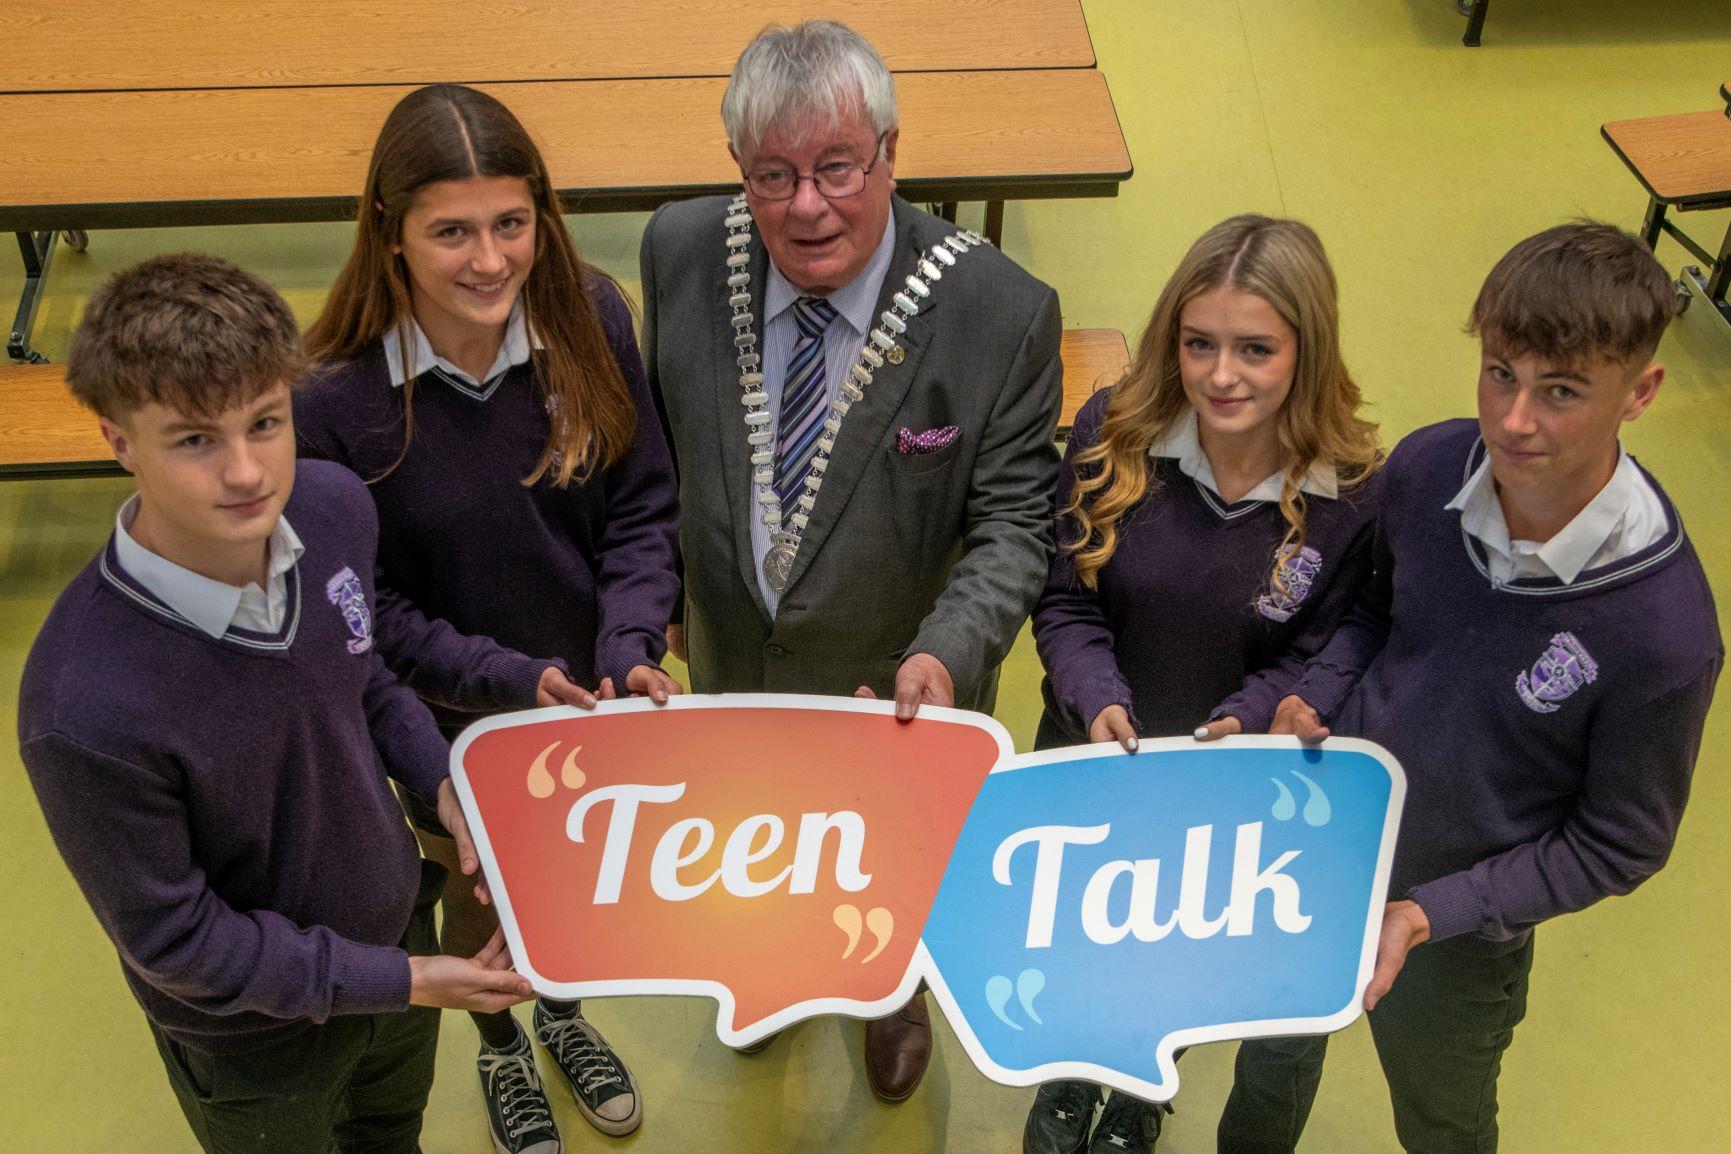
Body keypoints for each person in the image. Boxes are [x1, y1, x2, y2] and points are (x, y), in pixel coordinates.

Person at [1211, 222, 1723, 1153]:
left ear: (1640, 391)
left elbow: (1619, 843)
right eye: (1498, 374)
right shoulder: (1424, 466)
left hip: (1459, 936)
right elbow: (1372, 612)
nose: (1513, 421)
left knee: (1442, 1120)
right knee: (1267, 1071)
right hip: (1319, 854)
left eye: (1560, 392)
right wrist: (1317, 694)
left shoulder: (1663, 632)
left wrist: (1431, 914)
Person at [17, 254, 535, 1154]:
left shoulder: (332, 509)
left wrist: (445, 782)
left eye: (266, 421)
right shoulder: (82, 708)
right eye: (195, 440)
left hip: (391, 933)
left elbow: (361, 672)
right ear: (116, 441)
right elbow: (179, 942)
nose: (249, 471)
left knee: (389, 1135)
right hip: (257, 1043)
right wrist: (405, 980)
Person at [638, 20, 1062, 1102]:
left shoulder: (999, 314)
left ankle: (891, 990)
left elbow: (1017, 522)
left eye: (836, 167)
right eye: (771, 175)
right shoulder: (679, 249)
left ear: (888, 151)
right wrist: (664, 596)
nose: (806, 206)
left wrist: (949, 649)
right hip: (735, 663)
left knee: (894, 868)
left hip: (900, 686)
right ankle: (775, 969)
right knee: (754, 846)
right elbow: (666, 445)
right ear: (738, 169)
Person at [297, 84, 680, 1150]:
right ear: (389, 235)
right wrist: (512, 676)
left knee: (578, 880)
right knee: (478, 898)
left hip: (592, 698)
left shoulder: (591, 315)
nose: (490, 260)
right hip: (448, 723)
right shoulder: (333, 398)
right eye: (450, 232)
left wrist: (630, 641)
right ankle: (502, 1037)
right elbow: (362, 612)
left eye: (512, 223)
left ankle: (558, 1006)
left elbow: (645, 502)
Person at [1021, 216, 1382, 1154]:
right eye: (1199, 345)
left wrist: (1251, 714)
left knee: (1177, 952)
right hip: (1095, 758)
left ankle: (1145, 1087)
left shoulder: (1352, 490)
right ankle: (1071, 1071)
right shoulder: (1113, 432)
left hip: (1233, 789)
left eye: (1255, 349)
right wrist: (1095, 694)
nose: (1222, 375)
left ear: (1306, 352)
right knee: (1085, 941)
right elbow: (1063, 603)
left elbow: (1340, 638)